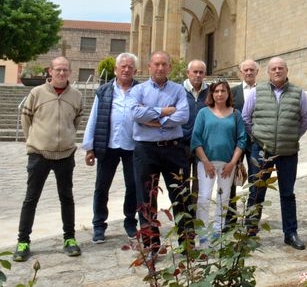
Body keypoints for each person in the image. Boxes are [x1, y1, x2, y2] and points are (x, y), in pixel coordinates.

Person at [13, 57, 83, 262]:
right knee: (31, 198)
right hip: (39, 155)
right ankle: (23, 241)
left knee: (66, 197)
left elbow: (76, 120)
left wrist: (66, 139)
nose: (61, 73)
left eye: (65, 70)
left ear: (70, 72)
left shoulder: (77, 96)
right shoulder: (36, 93)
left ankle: (69, 239)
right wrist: (34, 141)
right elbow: (26, 119)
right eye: (58, 69)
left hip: (65, 155)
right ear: (50, 71)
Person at [242, 57, 307, 250]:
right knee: (256, 191)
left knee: (287, 194)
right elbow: (246, 118)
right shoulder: (256, 92)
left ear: (287, 71)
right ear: (268, 72)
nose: (277, 71)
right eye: (274, 68)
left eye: (281, 68)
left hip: (288, 152)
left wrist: (290, 136)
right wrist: (257, 137)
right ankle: (250, 231)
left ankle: (291, 233)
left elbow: (305, 120)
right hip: (261, 150)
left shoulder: (299, 93)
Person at [128, 51, 192, 259]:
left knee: (181, 196)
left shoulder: (179, 90)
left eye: (164, 64)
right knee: (146, 199)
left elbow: (183, 115)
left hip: (173, 149)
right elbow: (135, 113)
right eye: (156, 64)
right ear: (149, 66)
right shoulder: (138, 90)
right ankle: (150, 246)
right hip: (146, 151)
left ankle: (187, 244)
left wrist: (152, 118)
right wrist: (165, 112)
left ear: (170, 67)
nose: (160, 68)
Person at [82, 52, 140, 244]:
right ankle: (99, 225)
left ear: (135, 70)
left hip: (133, 146)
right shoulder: (104, 91)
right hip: (108, 145)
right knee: (102, 187)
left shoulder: (141, 91)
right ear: (115, 69)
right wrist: (89, 147)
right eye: (122, 66)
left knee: (133, 186)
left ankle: (130, 222)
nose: (126, 69)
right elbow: (94, 117)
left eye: (130, 67)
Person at [190, 80, 247, 247]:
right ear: (212, 94)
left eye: (223, 91)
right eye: (216, 91)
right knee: (204, 198)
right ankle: (202, 236)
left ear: (228, 93)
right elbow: (196, 139)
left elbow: (242, 140)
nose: (220, 94)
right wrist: (206, 162)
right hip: (206, 164)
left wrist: (232, 163)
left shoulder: (236, 114)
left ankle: (218, 233)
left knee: (224, 199)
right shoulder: (203, 113)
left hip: (227, 165)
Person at [226, 59, 258, 229]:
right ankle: (230, 218)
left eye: (252, 70)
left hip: (255, 143)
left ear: (257, 72)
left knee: (255, 180)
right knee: (231, 180)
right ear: (241, 72)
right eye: (245, 70)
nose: (249, 72)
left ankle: (252, 220)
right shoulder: (232, 92)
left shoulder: (263, 91)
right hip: (236, 142)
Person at [182, 59, 209, 205]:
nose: (198, 75)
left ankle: (195, 218)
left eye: (201, 72)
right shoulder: (178, 90)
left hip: (203, 146)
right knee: (182, 183)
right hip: (182, 145)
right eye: (195, 72)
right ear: (188, 73)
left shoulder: (211, 92)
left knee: (199, 184)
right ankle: (184, 220)